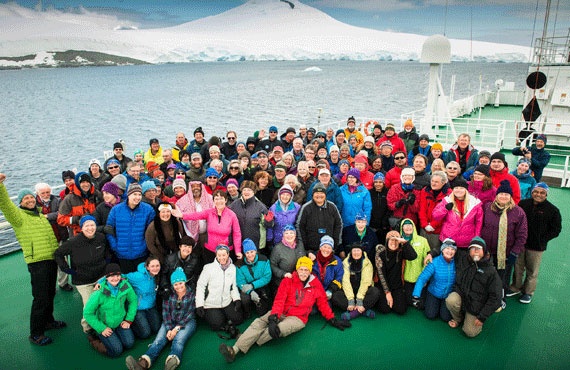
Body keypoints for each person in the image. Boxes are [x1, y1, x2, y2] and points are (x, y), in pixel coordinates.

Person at [218, 256, 351, 363]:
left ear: (310, 271)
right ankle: (234, 350)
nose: (303, 272)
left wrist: (332, 319)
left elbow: (323, 303)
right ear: (297, 269)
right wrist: (273, 317)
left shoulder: (316, 284)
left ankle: (248, 340)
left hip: (298, 318)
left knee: (278, 329)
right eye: (301, 269)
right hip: (282, 311)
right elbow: (280, 300)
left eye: (306, 270)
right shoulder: (288, 281)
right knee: (259, 322)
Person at [0, 173, 65, 346]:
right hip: (37, 262)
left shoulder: (40, 215)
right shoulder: (19, 218)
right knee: (41, 297)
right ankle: (36, 333)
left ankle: (48, 321)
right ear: (20, 202)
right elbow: (5, 204)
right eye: (25, 198)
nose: (29, 200)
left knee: (50, 293)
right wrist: (0, 185)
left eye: (31, 197)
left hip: (50, 259)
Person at [125, 267, 196, 370]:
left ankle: (172, 360)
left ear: (184, 282)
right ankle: (144, 362)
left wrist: (175, 329)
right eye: (176, 284)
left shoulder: (191, 294)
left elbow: (189, 313)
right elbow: (166, 312)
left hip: (186, 322)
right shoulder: (168, 294)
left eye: (181, 283)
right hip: (170, 320)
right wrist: (168, 328)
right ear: (172, 285)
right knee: (159, 340)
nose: (179, 286)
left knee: (179, 340)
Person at [54, 215, 109, 342]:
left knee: (104, 300)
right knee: (89, 304)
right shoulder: (73, 242)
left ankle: (102, 322)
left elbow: (107, 251)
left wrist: (106, 261)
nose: (90, 228)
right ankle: (87, 327)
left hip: (100, 276)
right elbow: (58, 254)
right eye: (87, 225)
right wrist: (66, 269)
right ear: (81, 227)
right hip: (83, 280)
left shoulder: (101, 238)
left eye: (92, 225)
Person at [510, 183, 561, 304]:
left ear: (546, 194)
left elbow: (556, 229)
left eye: (542, 192)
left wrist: (542, 239)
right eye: (536, 192)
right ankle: (515, 287)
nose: (538, 194)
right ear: (532, 192)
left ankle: (528, 292)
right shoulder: (523, 204)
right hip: (521, 243)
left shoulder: (553, 210)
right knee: (518, 267)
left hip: (537, 247)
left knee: (532, 270)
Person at [480, 180, 528, 308]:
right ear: (496, 195)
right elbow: (480, 225)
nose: (503, 197)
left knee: (502, 278)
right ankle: (485, 296)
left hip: (505, 254)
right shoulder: (487, 207)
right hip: (488, 251)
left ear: (510, 197)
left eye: (507, 195)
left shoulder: (518, 212)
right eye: (501, 194)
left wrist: (515, 252)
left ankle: (500, 298)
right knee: (486, 275)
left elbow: (522, 235)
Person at [445, 237, 502, 338]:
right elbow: (446, 249)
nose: (475, 251)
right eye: (472, 248)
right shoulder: (463, 259)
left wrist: (482, 317)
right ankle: (458, 319)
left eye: (478, 248)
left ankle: (471, 319)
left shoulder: (491, 272)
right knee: (451, 300)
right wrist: (432, 253)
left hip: (476, 306)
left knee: (470, 332)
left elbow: (496, 298)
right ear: (468, 251)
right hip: (463, 297)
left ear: (484, 251)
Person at [172, 190, 242, 263]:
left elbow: (237, 234)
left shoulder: (232, 215)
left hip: (225, 250)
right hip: (210, 250)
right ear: (213, 201)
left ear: (226, 200)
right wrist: (182, 215)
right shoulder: (209, 212)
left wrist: (238, 251)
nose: (219, 201)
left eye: (221, 198)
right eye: (216, 199)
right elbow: (196, 215)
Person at [83, 263, 137, 357]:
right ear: (106, 277)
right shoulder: (99, 292)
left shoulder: (125, 286)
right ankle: (95, 340)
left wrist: (129, 319)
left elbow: (133, 301)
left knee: (129, 344)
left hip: (120, 322)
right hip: (105, 325)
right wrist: (101, 328)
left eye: (117, 275)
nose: (115, 278)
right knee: (117, 351)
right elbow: (87, 313)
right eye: (112, 276)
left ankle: (114, 337)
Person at [106, 183, 156, 273]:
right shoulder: (116, 210)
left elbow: (151, 231)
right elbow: (109, 229)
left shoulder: (148, 210)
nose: (137, 197)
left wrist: (145, 246)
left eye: (139, 194)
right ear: (128, 195)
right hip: (122, 254)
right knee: (126, 281)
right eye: (134, 194)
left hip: (141, 253)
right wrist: (115, 246)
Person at [195, 245, 244, 333]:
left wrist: (237, 299)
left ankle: (225, 315)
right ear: (216, 255)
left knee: (238, 320)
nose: (222, 258)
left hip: (226, 301)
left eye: (224, 255)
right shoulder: (208, 268)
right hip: (211, 304)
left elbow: (233, 287)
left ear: (228, 254)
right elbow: (200, 286)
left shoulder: (232, 268)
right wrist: (199, 304)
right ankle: (219, 317)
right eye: (219, 255)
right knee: (217, 324)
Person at [35, 182, 71, 291]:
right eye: (43, 193)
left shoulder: (57, 200)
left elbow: (61, 214)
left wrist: (46, 216)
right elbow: (35, 218)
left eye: (48, 192)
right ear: (37, 193)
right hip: (44, 240)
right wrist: (51, 216)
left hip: (60, 235)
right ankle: (49, 286)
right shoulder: (33, 204)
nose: (46, 194)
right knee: (48, 264)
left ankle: (63, 283)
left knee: (63, 261)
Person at [432, 178, 483, 251]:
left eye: (461, 188)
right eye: (456, 188)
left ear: (466, 190)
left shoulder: (474, 203)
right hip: (448, 239)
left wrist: (476, 237)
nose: (458, 190)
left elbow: (479, 222)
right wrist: (445, 209)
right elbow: (436, 216)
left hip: (466, 241)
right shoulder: (447, 200)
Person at [332, 243, 380, 320]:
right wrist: (351, 299)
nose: (356, 253)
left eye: (358, 250)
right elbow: (345, 281)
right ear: (351, 252)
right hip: (349, 293)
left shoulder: (367, 263)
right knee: (336, 296)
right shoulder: (345, 262)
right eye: (354, 250)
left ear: (362, 252)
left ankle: (353, 313)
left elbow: (366, 282)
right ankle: (363, 310)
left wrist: (359, 300)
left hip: (363, 293)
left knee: (375, 292)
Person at [412, 238, 456, 322]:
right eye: (447, 248)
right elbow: (422, 278)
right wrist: (416, 294)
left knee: (446, 317)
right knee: (430, 314)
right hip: (434, 292)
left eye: (452, 249)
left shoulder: (457, 263)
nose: (450, 251)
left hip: (448, 295)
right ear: (442, 250)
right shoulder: (434, 262)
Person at [374, 230, 417, 315]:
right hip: (383, 286)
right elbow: (381, 275)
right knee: (384, 309)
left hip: (397, 286)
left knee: (401, 310)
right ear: (387, 241)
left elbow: (413, 256)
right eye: (391, 240)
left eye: (396, 240)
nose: (393, 242)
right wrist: (387, 292)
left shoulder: (401, 252)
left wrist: (404, 242)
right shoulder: (380, 253)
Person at [297, 182, 343, 256]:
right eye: (316, 193)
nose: (319, 195)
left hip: (328, 249)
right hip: (311, 249)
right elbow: (300, 226)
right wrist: (305, 246)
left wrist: (336, 243)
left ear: (325, 194)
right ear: (313, 195)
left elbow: (338, 224)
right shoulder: (306, 207)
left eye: (322, 193)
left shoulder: (332, 207)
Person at [125, 257, 162, 339]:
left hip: (151, 306)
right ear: (147, 267)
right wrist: (100, 283)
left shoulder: (157, 276)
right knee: (145, 333)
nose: (155, 268)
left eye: (157, 266)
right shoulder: (138, 276)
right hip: (139, 308)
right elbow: (120, 276)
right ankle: (132, 326)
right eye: (152, 266)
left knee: (156, 328)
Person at [228, 180, 272, 251]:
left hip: (255, 243)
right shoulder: (235, 204)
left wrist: (269, 220)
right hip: (238, 243)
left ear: (254, 192)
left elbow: (268, 225)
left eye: (249, 190)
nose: (246, 192)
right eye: (244, 190)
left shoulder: (260, 206)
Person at [57, 171, 102, 237]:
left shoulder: (96, 194)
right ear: (78, 183)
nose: (86, 184)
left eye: (87, 182)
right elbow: (60, 220)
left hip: (95, 231)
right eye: (83, 182)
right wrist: (77, 219)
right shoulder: (69, 198)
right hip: (77, 234)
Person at [236, 239, 272, 318]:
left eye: (252, 252)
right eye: (247, 252)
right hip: (247, 288)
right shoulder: (239, 265)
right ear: (244, 254)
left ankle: (259, 303)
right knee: (244, 298)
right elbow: (240, 282)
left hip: (260, 285)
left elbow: (267, 277)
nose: (250, 255)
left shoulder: (264, 259)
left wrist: (253, 285)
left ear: (255, 251)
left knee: (262, 312)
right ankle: (247, 311)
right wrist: (251, 291)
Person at [159, 236, 201, 302]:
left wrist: (191, 289)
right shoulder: (170, 259)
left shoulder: (194, 260)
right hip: (172, 287)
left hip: (186, 287)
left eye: (189, 247)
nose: (187, 249)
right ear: (180, 247)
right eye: (185, 246)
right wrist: (166, 287)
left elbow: (194, 276)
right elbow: (164, 274)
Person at [418, 171, 451, 253]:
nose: (433, 183)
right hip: (424, 228)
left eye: (436, 182)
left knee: (434, 252)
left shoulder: (449, 194)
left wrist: (433, 225)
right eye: (432, 181)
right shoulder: (425, 190)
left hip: (438, 231)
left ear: (443, 183)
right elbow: (421, 209)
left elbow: (445, 213)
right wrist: (424, 224)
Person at [400, 218, 431, 306]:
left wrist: (425, 277)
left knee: (422, 304)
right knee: (409, 302)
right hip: (406, 278)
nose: (408, 227)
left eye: (410, 224)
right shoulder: (398, 242)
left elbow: (428, 259)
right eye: (405, 225)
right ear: (402, 228)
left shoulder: (423, 240)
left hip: (420, 277)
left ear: (414, 227)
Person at [269, 224, 306, 289]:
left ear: (295, 234)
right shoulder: (278, 248)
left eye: (291, 233)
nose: (289, 235)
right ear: (283, 235)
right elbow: (272, 265)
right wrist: (283, 274)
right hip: (284, 281)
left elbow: (305, 257)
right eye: (286, 233)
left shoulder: (300, 245)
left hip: (299, 280)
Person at [311, 235, 344, 303]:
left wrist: (330, 290)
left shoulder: (337, 261)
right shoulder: (312, 258)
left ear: (332, 250)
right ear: (320, 247)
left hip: (328, 291)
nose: (326, 250)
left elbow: (339, 278)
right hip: (314, 290)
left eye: (329, 248)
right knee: (313, 311)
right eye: (324, 246)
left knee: (327, 307)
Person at [369, 172, 390, 243]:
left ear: (383, 183)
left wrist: (385, 221)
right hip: (372, 224)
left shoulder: (387, 192)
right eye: (376, 182)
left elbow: (389, 208)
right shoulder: (370, 193)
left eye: (380, 182)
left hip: (384, 225)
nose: (378, 184)